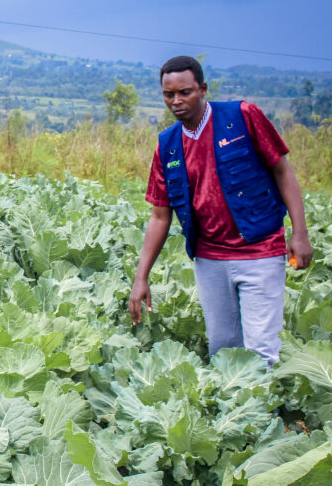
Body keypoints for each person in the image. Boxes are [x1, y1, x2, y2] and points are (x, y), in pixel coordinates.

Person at [129, 55, 312, 365]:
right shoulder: (168, 145)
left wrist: (300, 233)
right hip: (210, 259)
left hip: (260, 251)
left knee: (261, 353)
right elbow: (160, 215)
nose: (176, 101)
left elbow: (283, 172)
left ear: (202, 89)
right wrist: (140, 277)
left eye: (185, 92)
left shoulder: (242, 117)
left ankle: (265, 413)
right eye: (168, 94)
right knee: (223, 352)